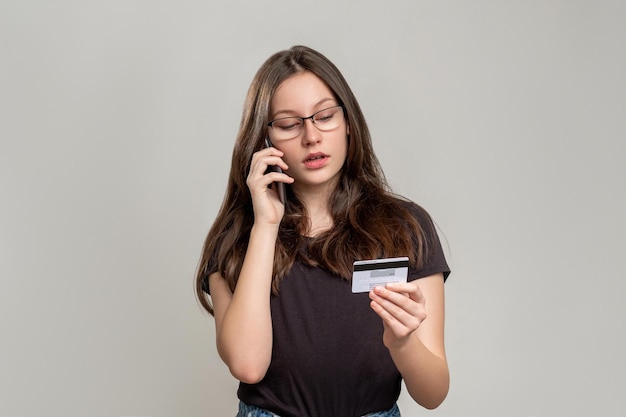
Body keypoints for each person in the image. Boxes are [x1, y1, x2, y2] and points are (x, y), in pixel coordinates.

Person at [196, 45, 451, 417]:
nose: (311, 137)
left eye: (325, 116)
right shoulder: (237, 236)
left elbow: (433, 394)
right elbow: (248, 365)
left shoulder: (405, 226)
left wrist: (403, 341)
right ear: (265, 140)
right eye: (288, 124)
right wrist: (265, 226)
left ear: (348, 122)